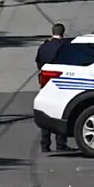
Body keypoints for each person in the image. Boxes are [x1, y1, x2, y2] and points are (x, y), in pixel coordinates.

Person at [35, 23, 72, 153]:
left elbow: (38, 62)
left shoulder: (44, 46)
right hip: (61, 83)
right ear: (63, 33)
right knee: (60, 112)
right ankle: (61, 144)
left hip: (45, 82)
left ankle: (45, 144)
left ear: (52, 32)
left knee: (45, 111)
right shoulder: (65, 47)